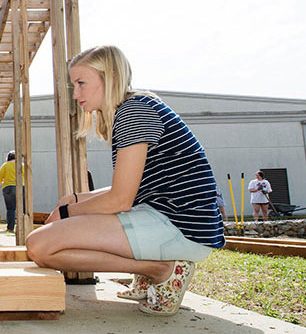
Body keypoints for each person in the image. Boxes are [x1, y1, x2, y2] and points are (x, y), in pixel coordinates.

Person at [25, 46, 224, 317]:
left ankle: (159, 269)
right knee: (66, 207)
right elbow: (136, 189)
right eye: (74, 85)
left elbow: (120, 199)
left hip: (181, 225)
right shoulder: (135, 106)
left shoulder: (134, 112)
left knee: (40, 246)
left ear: (111, 77)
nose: (76, 94)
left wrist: (65, 213)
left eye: (81, 83)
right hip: (172, 217)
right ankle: (149, 271)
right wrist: (72, 201)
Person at [0, 150, 24, 233]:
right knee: (22, 208)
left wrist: (2, 182)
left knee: (10, 209)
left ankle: (10, 228)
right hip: (20, 187)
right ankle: (23, 227)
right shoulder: (21, 165)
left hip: (8, 187)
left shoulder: (5, 165)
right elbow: (26, 175)